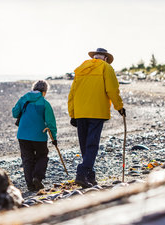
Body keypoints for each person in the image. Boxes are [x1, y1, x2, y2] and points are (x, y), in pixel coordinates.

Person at [68, 48, 125, 188]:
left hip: (80, 112)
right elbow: (112, 89)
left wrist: (72, 113)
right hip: (97, 112)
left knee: (84, 145)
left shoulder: (81, 69)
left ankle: (90, 176)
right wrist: (119, 107)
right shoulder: (106, 68)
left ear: (94, 57)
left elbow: (72, 93)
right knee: (92, 145)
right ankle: (82, 173)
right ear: (105, 58)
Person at [12, 80, 57, 191]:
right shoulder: (44, 103)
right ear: (44, 91)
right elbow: (51, 123)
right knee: (42, 156)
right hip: (39, 135)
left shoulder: (24, 99)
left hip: (23, 134)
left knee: (27, 159)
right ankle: (37, 177)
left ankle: (30, 185)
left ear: (34, 89)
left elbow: (14, 113)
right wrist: (54, 138)